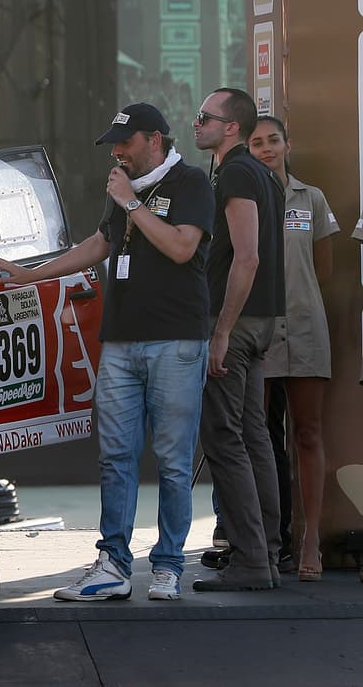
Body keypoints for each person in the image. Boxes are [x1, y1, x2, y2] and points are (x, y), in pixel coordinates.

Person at [0, 103, 213, 602]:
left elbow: (181, 248)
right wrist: (32, 274)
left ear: (154, 139)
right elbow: (101, 243)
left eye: (125, 142)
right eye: (113, 143)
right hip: (121, 341)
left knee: (173, 462)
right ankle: (112, 563)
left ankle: (168, 566)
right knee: (115, 457)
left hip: (176, 341)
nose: (117, 151)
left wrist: (133, 203)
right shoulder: (122, 188)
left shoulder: (190, 182)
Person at [191, 87, 285, 593]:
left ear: (231, 127)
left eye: (205, 117)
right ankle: (264, 554)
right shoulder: (259, 174)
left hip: (237, 323)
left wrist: (221, 331)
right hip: (260, 319)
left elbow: (245, 257)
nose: (196, 123)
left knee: (227, 439)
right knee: (252, 437)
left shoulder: (237, 172)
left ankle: (253, 558)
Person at [248, 115, 338, 581]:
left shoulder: (312, 199)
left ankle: (311, 542)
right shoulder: (241, 199)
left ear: (287, 144)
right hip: (257, 333)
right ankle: (263, 542)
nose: (266, 149)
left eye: (273, 140)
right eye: (257, 142)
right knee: (258, 436)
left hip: (304, 329)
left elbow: (321, 271)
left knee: (308, 434)